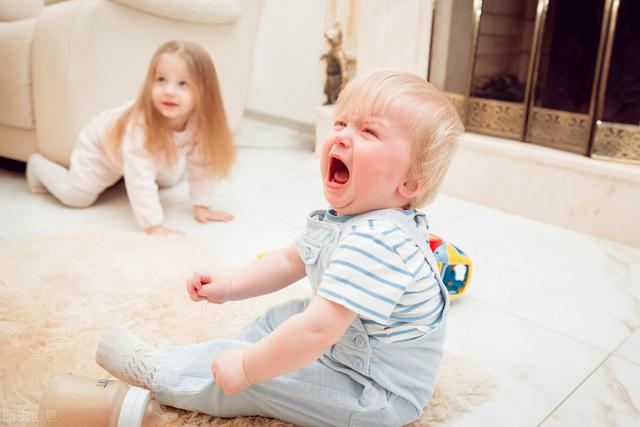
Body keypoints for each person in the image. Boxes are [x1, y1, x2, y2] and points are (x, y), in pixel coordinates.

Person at [95, 70, 464, 426]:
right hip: (350, 344)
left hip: (373, 392)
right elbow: (291, 260)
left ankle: (161, 371)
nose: (342, 137)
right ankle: (213, 359)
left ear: (410, 183)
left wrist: (248, 368)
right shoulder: (348, 219)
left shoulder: (379, 240)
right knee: (283, 318)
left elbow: (317, 331)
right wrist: (230, 285)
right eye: (340, 123)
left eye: (368, 131)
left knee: (265, 378)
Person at [26, 40, 236, 235]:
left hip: (141, 154)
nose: (169, 91)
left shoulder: (200, 122)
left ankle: (124, 175)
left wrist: (201, 205)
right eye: (161, 80)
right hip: (102, 150)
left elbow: (202, 164)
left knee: (170, 179)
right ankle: (36, 164)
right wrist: (153, 225)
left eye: (183, 83)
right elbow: (140, 177)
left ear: (204, 91)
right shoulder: (140, 124)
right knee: (77, 197)